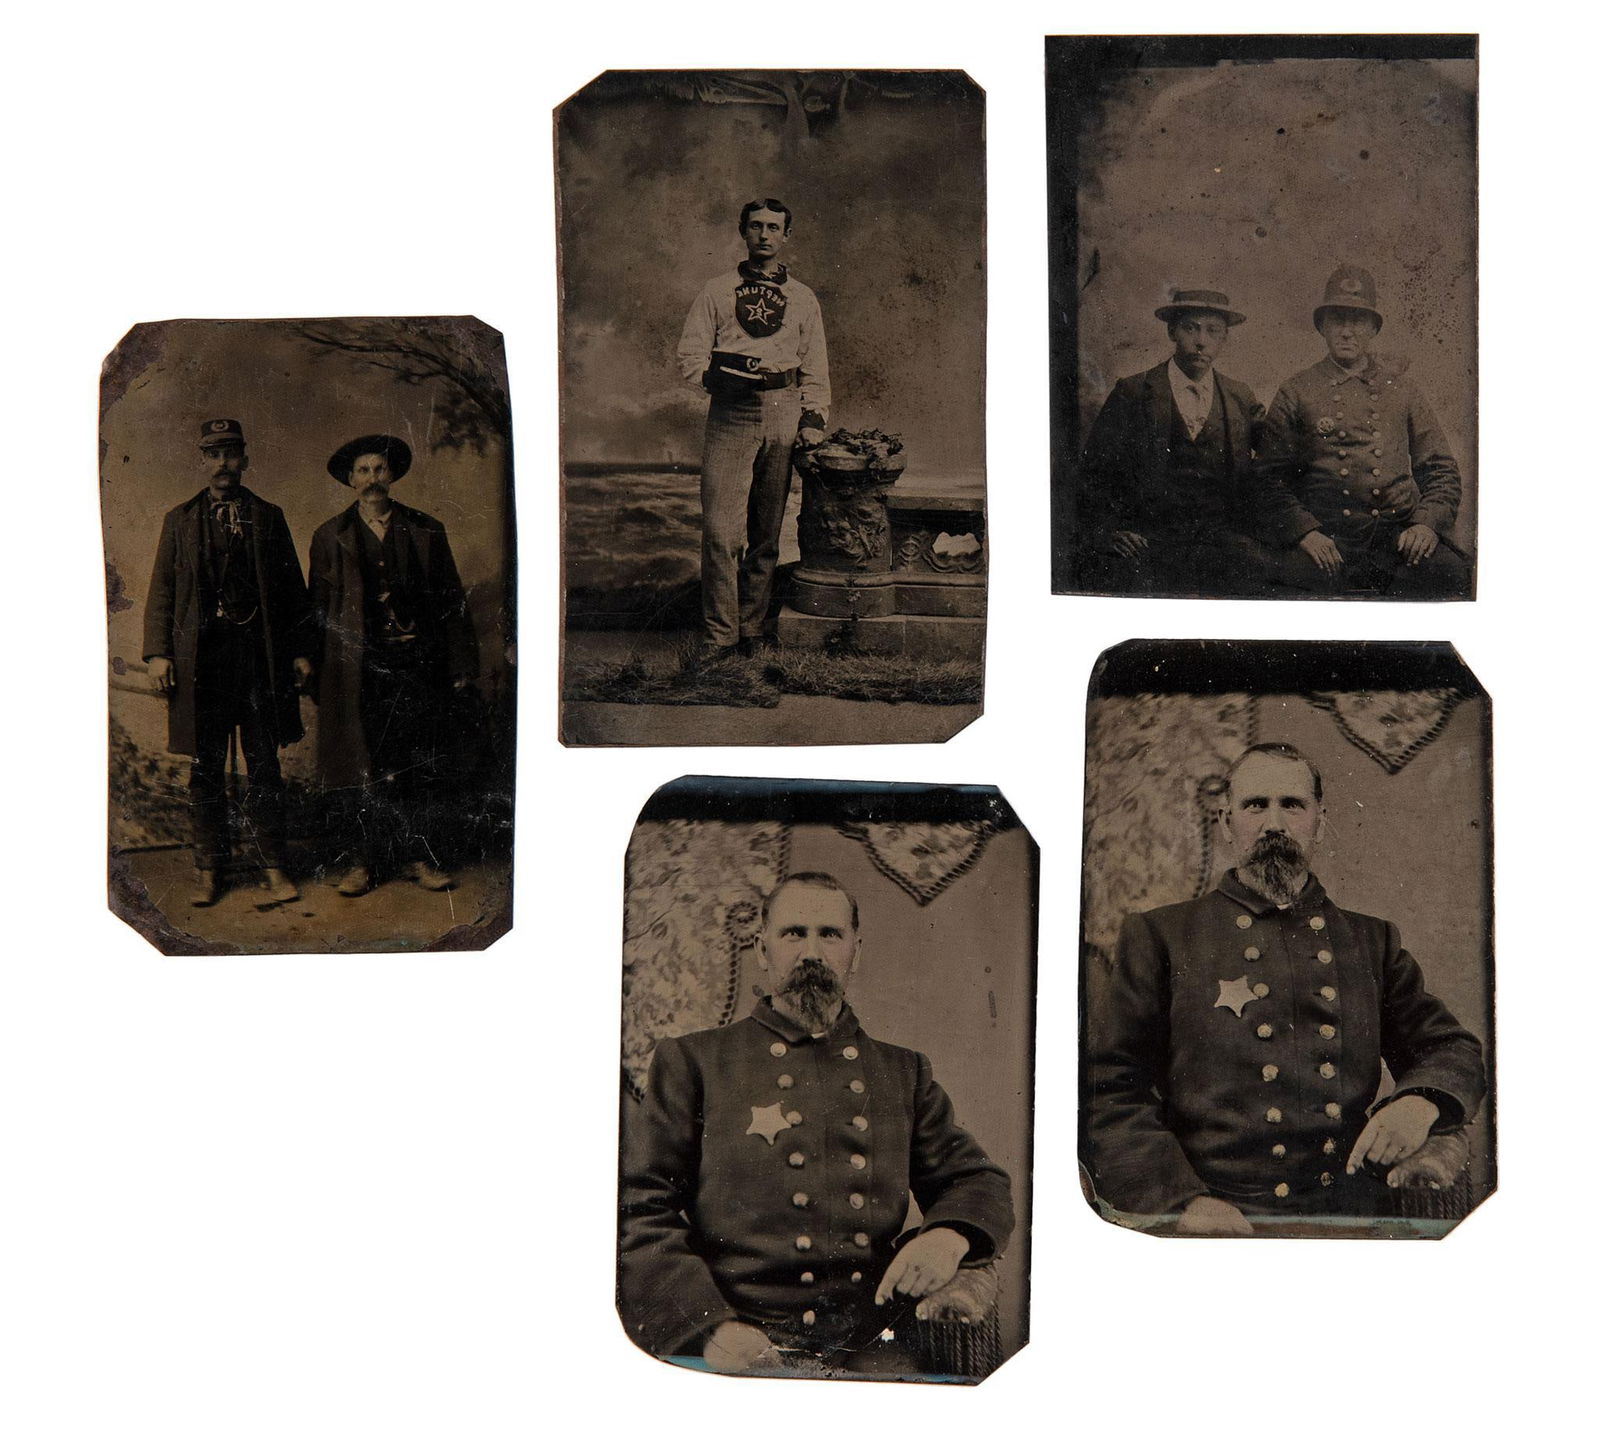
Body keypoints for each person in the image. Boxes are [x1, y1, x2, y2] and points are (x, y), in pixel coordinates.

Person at [620, 872, 1013, 1376]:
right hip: (740, 1336)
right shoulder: (695, 1062)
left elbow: (977, 1179)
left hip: (870, 1337)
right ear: (763, 951)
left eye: (830, 934)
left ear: (856, 950)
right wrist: (707, 1327)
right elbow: (639, 1212)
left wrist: (947, 1236)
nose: (812, 952)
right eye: (793, 934)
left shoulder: (902, 1072)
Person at [1084, 743, 1485, 1234]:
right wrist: (1182, 1203)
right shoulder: (1161, 936)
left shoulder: (1370, 941)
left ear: (1320, 820)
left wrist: (1419, 1103)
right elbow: (1112, 1093)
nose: (1274, 823)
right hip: (1213, 1216)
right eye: (1256, 805)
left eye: (1292, 805)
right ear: (1227, 821)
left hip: (1349, 1212)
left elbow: (1450, 1048)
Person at [143, 419, 313, 908]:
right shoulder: (179, 519)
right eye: (213, 454)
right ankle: (209, 868)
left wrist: (300, 649)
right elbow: (162, 592)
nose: (222, 463)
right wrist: (158, 652)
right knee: (206, 768)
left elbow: (292, 590)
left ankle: (274, 868)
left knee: (264, 765)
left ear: (245, 459)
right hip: (203, 665)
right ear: (201, 460)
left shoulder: (269, 516)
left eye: (231, 453)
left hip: (259, 660)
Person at [307, 435, 478, 897]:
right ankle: (363, 861)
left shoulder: (426, 529)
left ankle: (420, 859)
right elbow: (317, 610)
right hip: (359, 671)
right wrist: (310, 666)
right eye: (362, 471)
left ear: (393, 475)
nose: (372, 479)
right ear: (350, 480)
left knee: (419, 762)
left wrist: (461, 663)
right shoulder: (329, 535)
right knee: (363, 764)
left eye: (379, 469)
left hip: (419, 664)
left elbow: (451, 602)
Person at [1255, 265, 1470, 597]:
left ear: (1373, 329)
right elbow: (1268, 479)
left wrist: (1425, 524)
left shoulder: (1403, 390)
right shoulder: (1296, 391)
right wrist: (1304, 533)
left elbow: (1441, 469)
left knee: (1452, 574)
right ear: (1323, 327)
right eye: (1337, 320)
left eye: (1357, 321)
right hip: (1325, 540)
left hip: (1395, 539)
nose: (1346, 331)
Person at [677, 198, 830, 661]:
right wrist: (718, 380)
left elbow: (815, 367)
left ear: (787, 236)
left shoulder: (803, 297)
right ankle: (719, 637)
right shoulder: (717, 290)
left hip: (783, 411)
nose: (765, 235)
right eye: (756, 226)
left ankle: (752, 628)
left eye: (774, 227)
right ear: (743, 231)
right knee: (723, 532)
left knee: (766, 532)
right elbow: (690, 357)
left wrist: (812, 418)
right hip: (731, 413)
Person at [1077, 288, 1275, 596]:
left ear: (1224, 339)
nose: (1201, 341)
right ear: (1172, 331)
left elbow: (1278, 455)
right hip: (1150, 542)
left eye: (1213, 331)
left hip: (1220, 542)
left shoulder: (1240, 397)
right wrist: (1107, 532)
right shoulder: (1133, 392)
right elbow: (1093, 473)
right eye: (1190, 328)